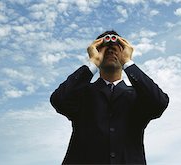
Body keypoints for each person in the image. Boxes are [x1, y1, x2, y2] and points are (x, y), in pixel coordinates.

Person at [50, 30, 169, 164]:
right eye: (105, 49)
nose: (110, 51)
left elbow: (159, 103)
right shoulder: (82, 93)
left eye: (116, 48)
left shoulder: (138, 96)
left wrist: (128, 62)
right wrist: (93, 62)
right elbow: (58, 100)